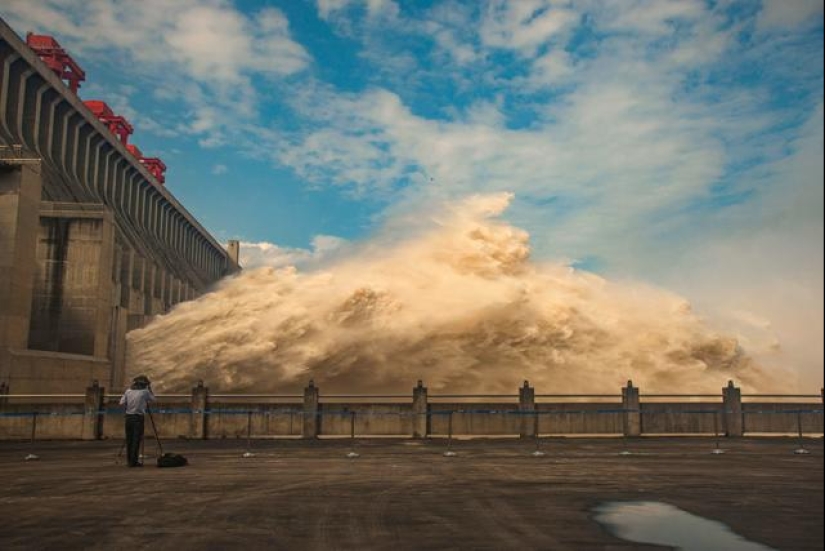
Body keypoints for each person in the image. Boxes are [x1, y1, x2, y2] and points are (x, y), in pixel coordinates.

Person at [119, 375, 156, 467]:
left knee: (129, 439)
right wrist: (150, 389)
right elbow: (153, 399)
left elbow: (121, 403)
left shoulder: (128, 391)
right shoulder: (145, 392)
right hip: (138, 417)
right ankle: (133, 461)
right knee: (136, 439)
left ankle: (129, 460)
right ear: (145, 384)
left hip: (128, 417)